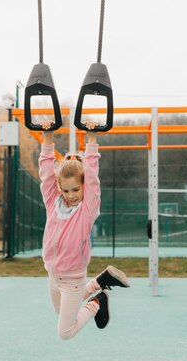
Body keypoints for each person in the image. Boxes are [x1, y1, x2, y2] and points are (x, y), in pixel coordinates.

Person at [39, 119, 130, 340]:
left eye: (76, 189)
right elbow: (46, 175)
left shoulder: (87, 210)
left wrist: (91, 140)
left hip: (73, 279)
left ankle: (98, 302)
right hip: (52, 274)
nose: (71, 195)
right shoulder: (53, 202)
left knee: (65, 332)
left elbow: (92, 182)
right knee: (60, 311)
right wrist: (47, 138)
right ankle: (99, 282)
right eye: (67, 190)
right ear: (60, 188)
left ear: (83, 187)